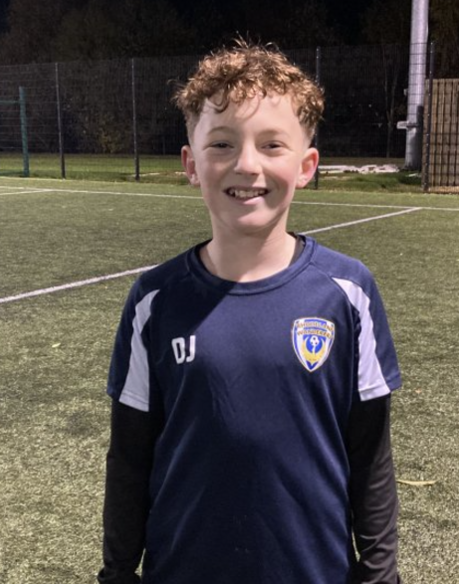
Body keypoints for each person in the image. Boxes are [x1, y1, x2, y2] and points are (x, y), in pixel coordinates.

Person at [98, 41, 402, 584]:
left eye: (271, 144)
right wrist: (117, 573)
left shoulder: (347, 291)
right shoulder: (155, 300)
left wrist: (380, 575)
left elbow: (370, 456)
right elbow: (129, 460)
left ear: (306, 165)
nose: (246, 165)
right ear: (191, 164)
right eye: (221, 143)